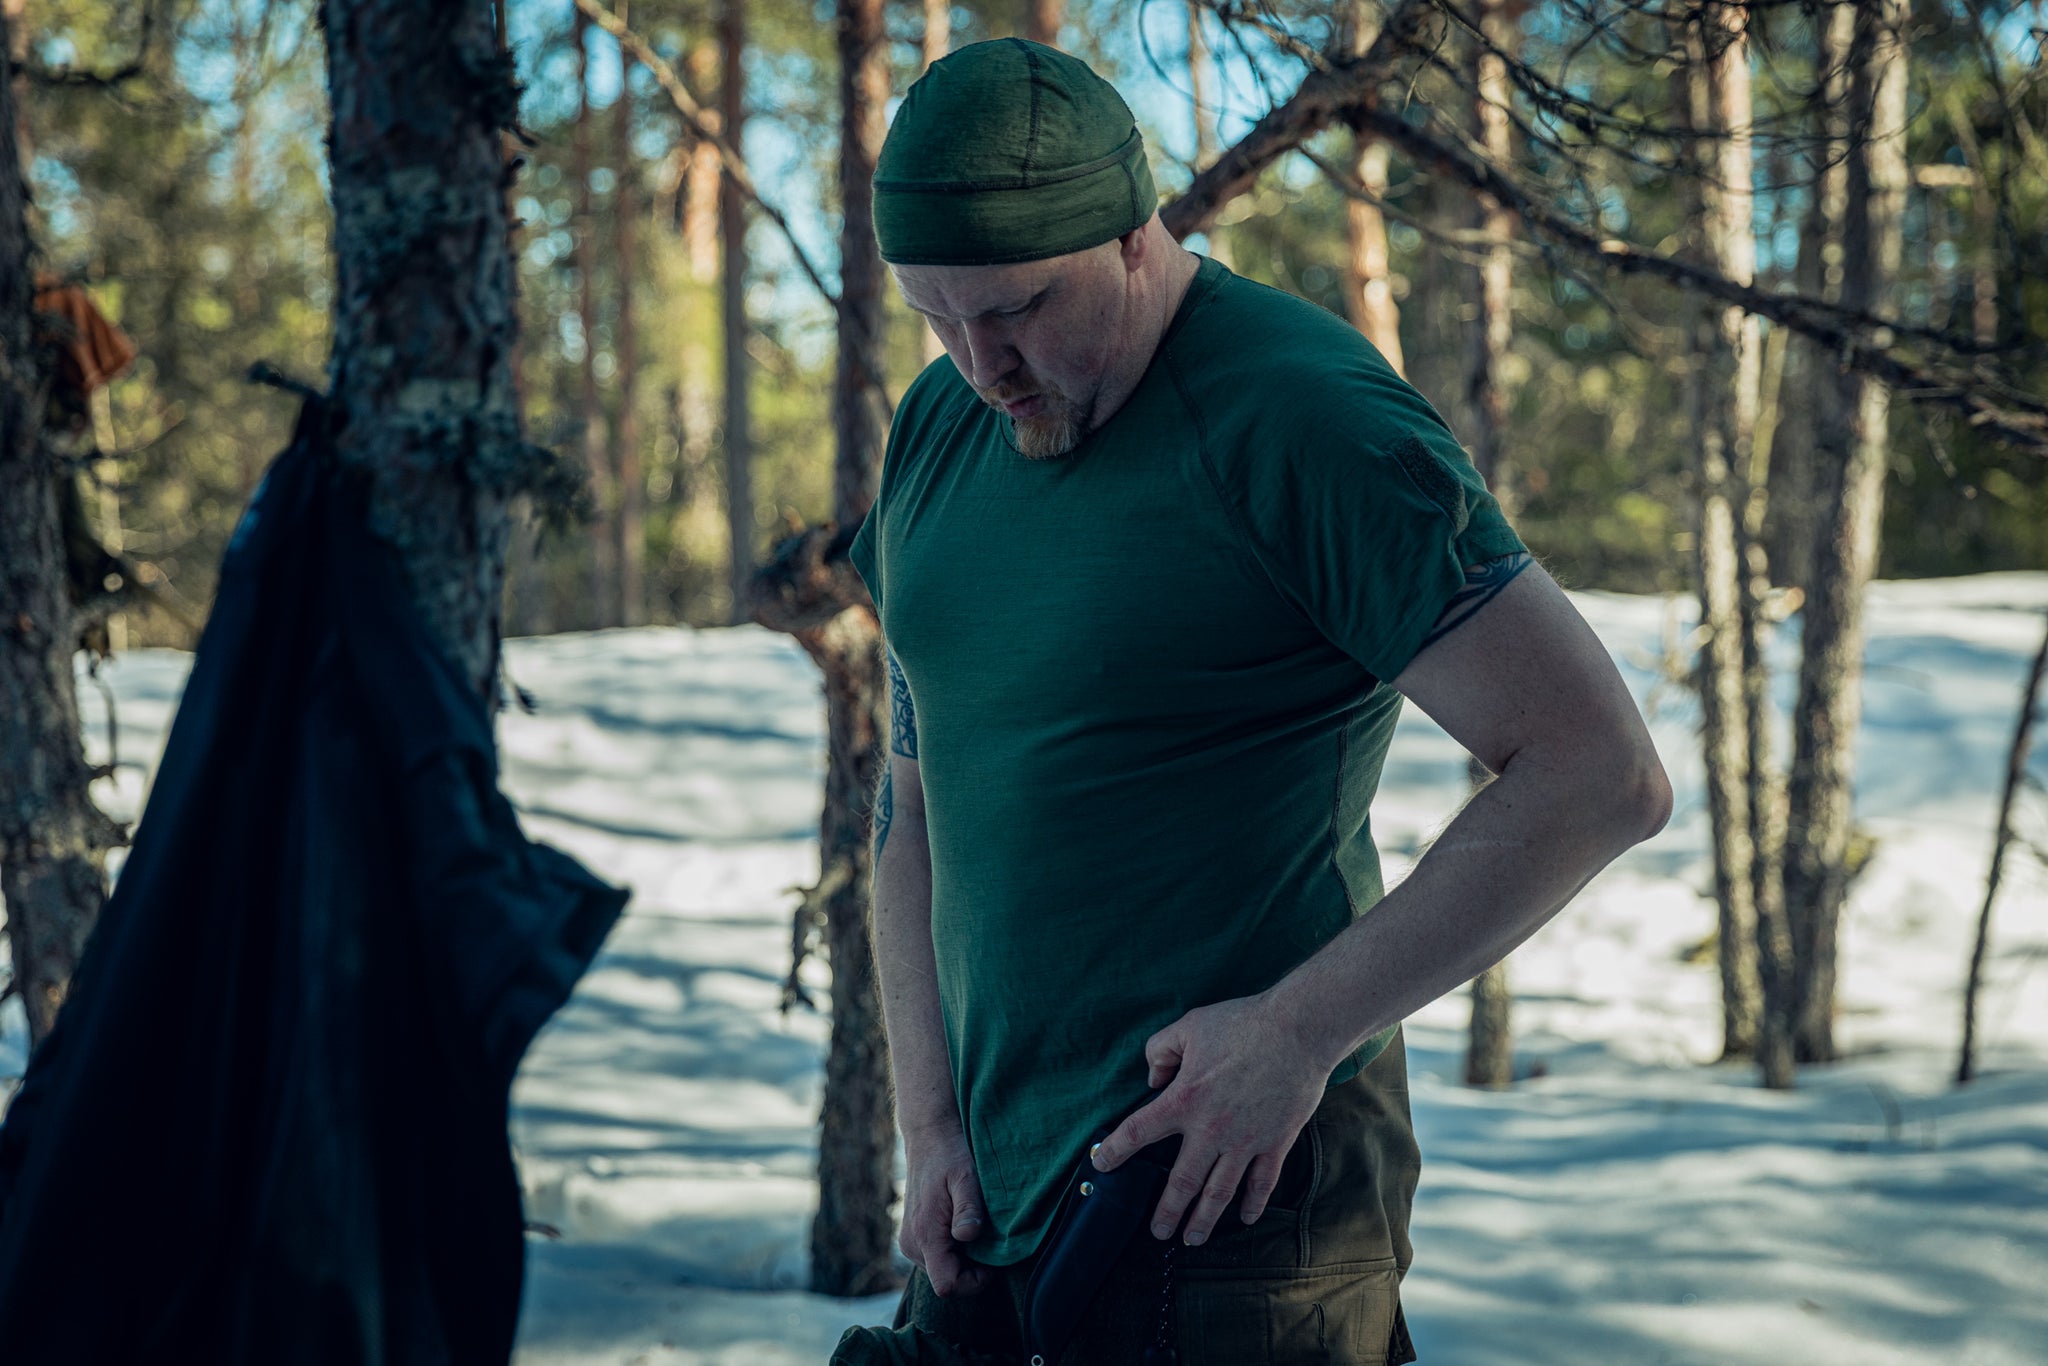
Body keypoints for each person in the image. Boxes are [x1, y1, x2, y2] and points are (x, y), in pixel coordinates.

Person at [838, 38, 1672, 1366]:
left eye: (1019, 308)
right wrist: (931, 1124)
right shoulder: (941, 428)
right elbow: (918, 802)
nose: (982, 361)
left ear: (1134, 233)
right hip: (991, 1208)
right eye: (937, 315)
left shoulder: (1304, 418)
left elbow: (1599, 772)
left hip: (1238, 1197)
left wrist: (1297, 1031)